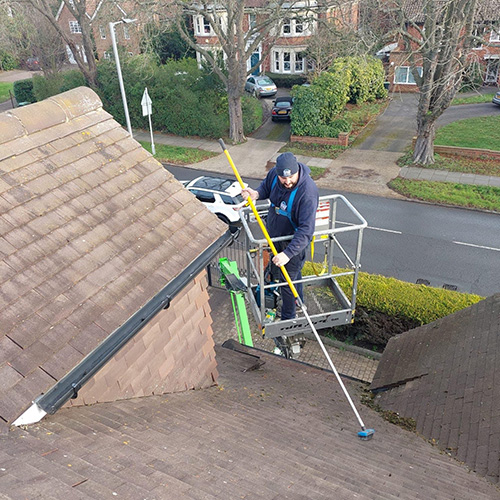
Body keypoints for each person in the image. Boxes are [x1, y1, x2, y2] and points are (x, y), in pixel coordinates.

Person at [240, 152, 319, 320]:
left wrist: (288, 254)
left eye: (291, 177)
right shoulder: (274, 176)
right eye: (284, 178)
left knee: (287, 282)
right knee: (294, 275)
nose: (287, 181)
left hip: (293, 243)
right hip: (276, 238)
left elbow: (306, 230)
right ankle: (299, 301)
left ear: (298, 170)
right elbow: (265, 188)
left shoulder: (307, 193)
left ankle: (288, 317)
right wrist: (256, 194)